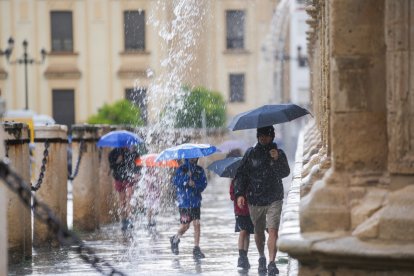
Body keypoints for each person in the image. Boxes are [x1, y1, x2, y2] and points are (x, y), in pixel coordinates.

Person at [234, 125, 290, 275]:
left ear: (272, 136)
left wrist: (277, 159)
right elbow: (241, 175)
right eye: (260, 135)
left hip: (274, 197)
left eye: (266, 135)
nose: (262, 137)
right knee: (259, 232)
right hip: (255, 199)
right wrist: (239, 194)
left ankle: (272, 262)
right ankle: (262, 257)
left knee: (273, 229)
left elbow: (285, 172)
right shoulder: (250, 154)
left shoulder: (279, 153)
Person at [170, 158, 208, 259]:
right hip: (184, 202)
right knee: (185, 226)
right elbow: (176, 182)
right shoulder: (181, 169)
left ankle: (196, 248)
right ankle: (175, 238)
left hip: (195, 201)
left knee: (197, 223)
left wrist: (195, 185)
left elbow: (204, 184)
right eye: (192, 157)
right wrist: (186, 180)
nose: (193, 158)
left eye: (195, 157)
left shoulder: (199, 170)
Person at [108, 146, 140, 231]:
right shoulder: (113, 153)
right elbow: (111, 166)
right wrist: (117, 161)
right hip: (118, 178)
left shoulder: (133, 152)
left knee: (129, 197)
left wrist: (137, 173)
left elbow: (138, 164)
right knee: (122, 201)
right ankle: (124, 220)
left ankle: (130, 219)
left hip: (129, 178)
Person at [230, 177, 254, 270]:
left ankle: (245, 255)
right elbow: (232, 196)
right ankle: (241, 256)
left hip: (250, 210)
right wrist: (239, 195)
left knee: (247, 233)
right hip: (240, 211)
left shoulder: (251, 180)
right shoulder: (235, 181)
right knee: (243, 231)